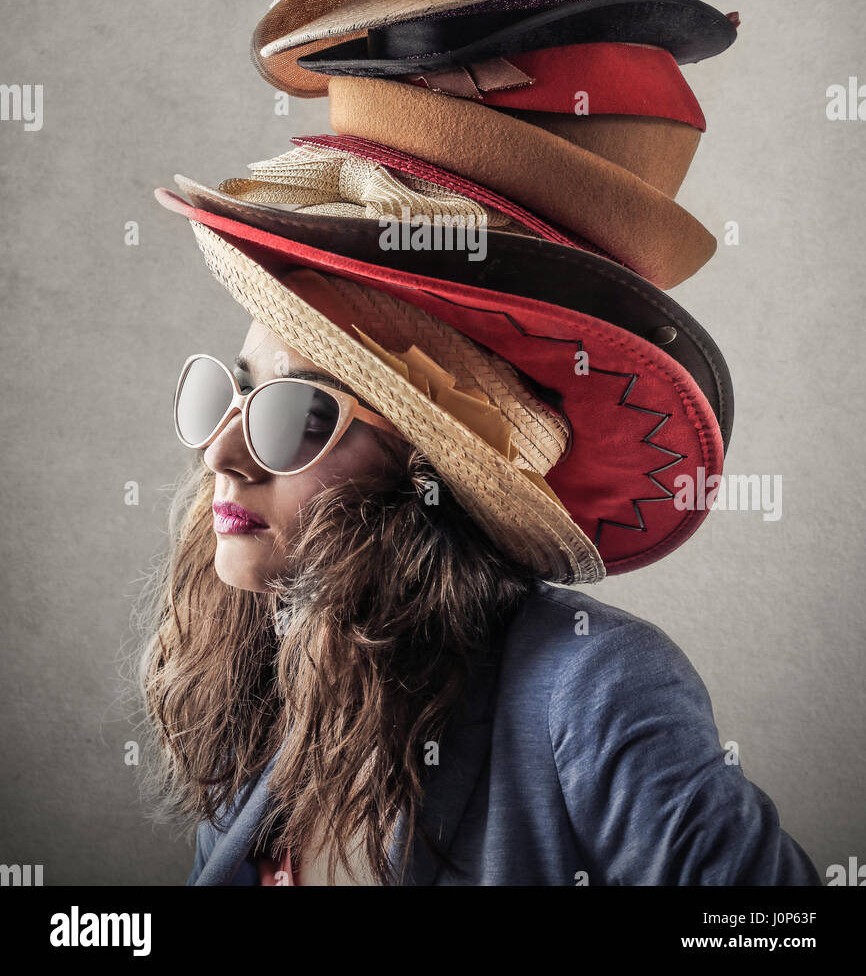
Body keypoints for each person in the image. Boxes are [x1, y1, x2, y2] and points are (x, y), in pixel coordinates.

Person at [140, 251, 821, 888]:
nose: (221, 454)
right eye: (232, 394)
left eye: (296, 415)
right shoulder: (255, 685)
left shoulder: (594, 685)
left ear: (423, 467)